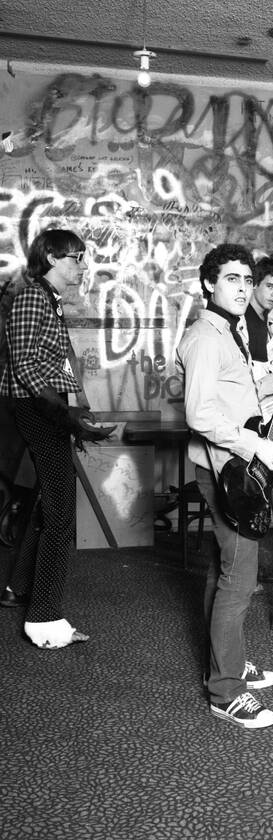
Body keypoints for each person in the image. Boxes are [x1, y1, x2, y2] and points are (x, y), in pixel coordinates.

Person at [175, 243, 273, 730]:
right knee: (239, 578)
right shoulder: (205, 335)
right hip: (225, 470)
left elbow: (233, 396)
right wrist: (251, 444)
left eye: (246, 280)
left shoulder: (231, 331)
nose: (241, 289)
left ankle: (228, 662)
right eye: (231, 280)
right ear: (209, 285)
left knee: (222, 568)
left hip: (230, 466)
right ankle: (225, 691)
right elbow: (198, 412)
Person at [0, 229, 114, 648]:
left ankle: (16, 587)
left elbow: (48, 364)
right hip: (35, 408)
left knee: (51, 501)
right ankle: (44, 618)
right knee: (63, 513)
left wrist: (74, 413)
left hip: (46, 406)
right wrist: (65, 414)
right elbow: (25, 363)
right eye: (75, 258)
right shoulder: (33, 297)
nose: (82, 267)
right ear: (50, 256)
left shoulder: (49, 299)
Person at [244, 255, 273, 401]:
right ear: (255, 284)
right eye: (270, 286)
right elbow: (244, 386)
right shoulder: (244, 320)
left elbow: (261, 379)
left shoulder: (265, 320)